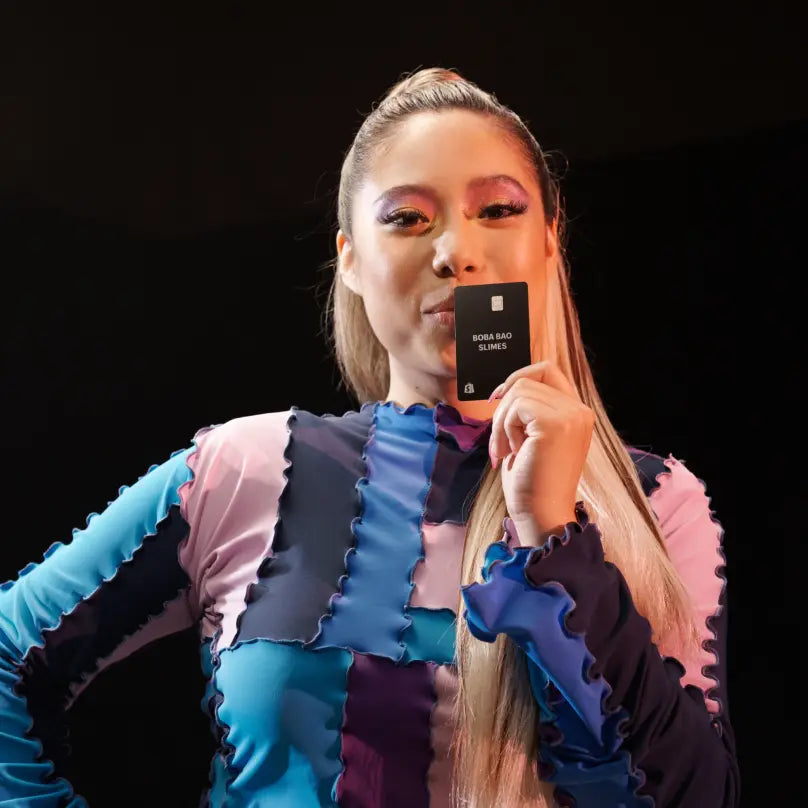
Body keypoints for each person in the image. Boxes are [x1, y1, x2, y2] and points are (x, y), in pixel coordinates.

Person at [0, 67, 739, 808]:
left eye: (498, 209)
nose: (457, 252)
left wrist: (553, 535)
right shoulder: (246, 468)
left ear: (550, 241)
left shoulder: (656, 501)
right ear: (351, 258)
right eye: (409, 218)